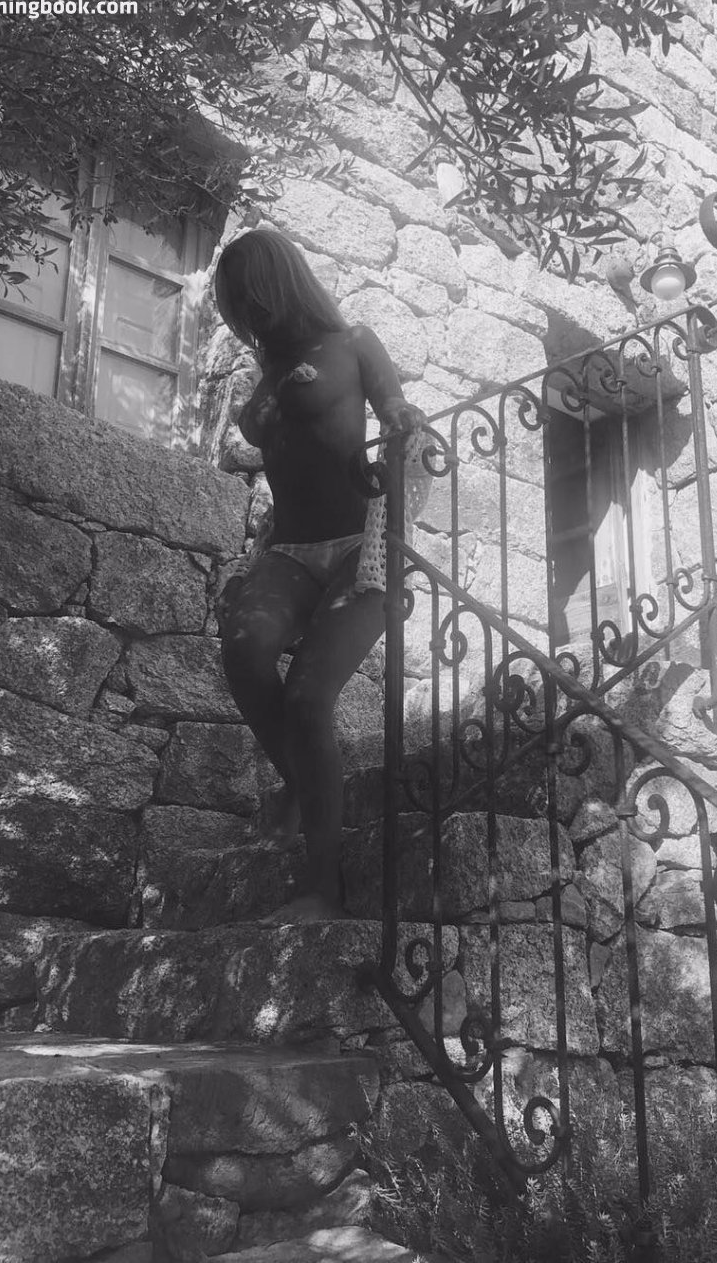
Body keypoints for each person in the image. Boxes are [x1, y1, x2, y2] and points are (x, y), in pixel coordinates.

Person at [214, 227, 424, 923]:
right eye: (238, 303)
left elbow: (397, 413)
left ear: (281, 283)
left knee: (308, 699)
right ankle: (304, 783)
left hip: (360, 546)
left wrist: (403, 426)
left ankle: (323, 889)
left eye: (253, 295)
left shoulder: (353, 343)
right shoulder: (265, 376)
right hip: (291, 550)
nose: (249, 312)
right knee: (243, 650)